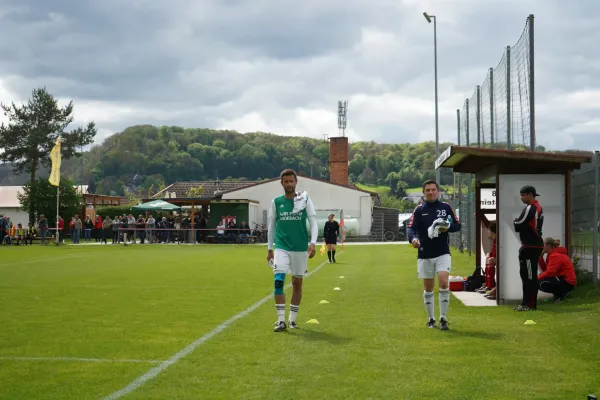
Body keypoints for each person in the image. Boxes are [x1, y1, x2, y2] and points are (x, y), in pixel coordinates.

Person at [267, 169, 318, 332]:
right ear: (281, 183)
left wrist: (313, 243)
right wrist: (269, 248)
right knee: (278, 281)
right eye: (286, 181)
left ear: (296, 182)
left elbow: (313, 221)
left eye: (291, 181)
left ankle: (292, 320)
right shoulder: (276, 202)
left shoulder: (305, 200)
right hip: (281, 247)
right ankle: (280, 320)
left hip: (300, 247)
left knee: (297, 283)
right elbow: (271, 226)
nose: (289, 184)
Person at [407, 179, 461, 330]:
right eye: (427, 190)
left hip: (442, 252)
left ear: (438, 191)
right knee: (428, 288)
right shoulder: (419, 210)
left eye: (433, 189)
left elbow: (457, 225)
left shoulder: (445, 207)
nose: (431, 192)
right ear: (424, 193)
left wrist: (447, 228)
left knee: (444, 282)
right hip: (425, 253)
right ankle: (431, 319)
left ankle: (443, 318)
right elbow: (410, 228)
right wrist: (413, 239)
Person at [513, 185, 544, 311]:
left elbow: (518, 224)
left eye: (523, 195)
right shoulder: (537, 207)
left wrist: (515, 221)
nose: (521, 198)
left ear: (531, 194)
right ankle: (526, 303)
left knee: (529, 277)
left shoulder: (531, 207)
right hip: (531, 246)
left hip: (531, 246)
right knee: (526, 275)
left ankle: (529, 304)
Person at [538, 238, 577, 302]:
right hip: (564, 280)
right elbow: (546, 270)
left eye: (543, 245)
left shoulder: (555, 255)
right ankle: (559, 295)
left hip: (567, 282)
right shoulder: (551, 254)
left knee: (541, 283)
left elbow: (550, 272)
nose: (542, 247)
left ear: (549, 246)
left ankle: (561, 295)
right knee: (541, 279)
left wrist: (536, 279)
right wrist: (540, 258)